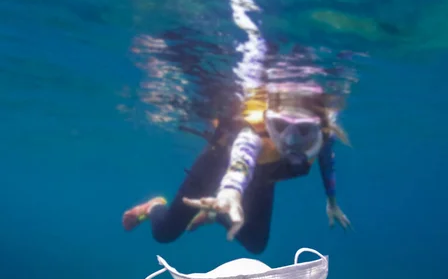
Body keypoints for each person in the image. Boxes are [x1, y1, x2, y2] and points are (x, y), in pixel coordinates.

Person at [122, 83, 352, 254]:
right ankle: (153, 207)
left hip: (262, 178)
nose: (291, 141)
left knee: (256, 244)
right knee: (165, 234)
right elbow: (242, 159)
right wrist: (230, 192)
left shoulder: (322, 136)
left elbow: (326, 161)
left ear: (318, 127)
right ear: (269, 120)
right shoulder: (253, 135)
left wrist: (332, 202)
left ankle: (216, 213)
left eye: (303, 130)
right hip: (215, 167)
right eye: (280, 126)